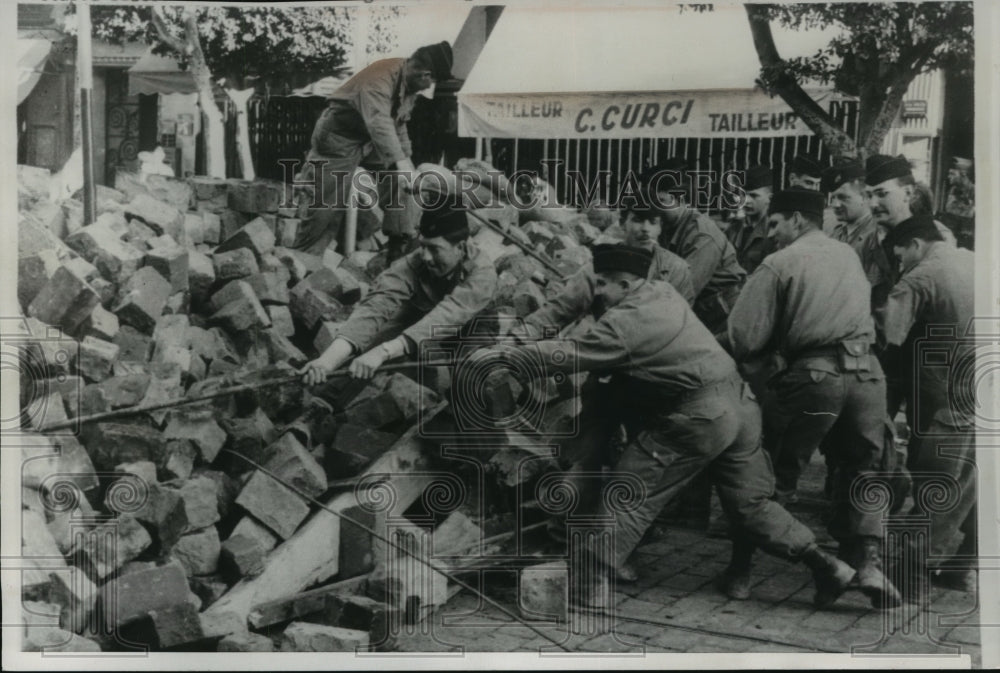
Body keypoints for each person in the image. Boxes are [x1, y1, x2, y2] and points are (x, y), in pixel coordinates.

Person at [506, 244, 865, 606]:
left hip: (700, 414)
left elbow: (569, 354)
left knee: (630, 491)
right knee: (752, 505)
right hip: (740, 407)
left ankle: (589, 585)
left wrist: (502, 355)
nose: (597, 293)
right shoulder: (663, 294)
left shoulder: (625, 321)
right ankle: (829, 566)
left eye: (603, 285)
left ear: (628, 286)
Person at [726, 188, 902, 609]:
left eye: (775, 223)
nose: (771, 233)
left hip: (815, 375)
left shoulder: (779, 263)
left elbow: (744, 337)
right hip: (867, 375)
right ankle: (868, 565)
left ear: (797, 221)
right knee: (865, 472)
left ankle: (743, 571)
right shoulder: (847, 256)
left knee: (770, 475)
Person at [880, 215, 977, 597]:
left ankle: (912, 573)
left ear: (917, 245)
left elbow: (890, 337)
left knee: (934, 482)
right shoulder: (971, 260)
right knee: (970, 482)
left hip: (948, 400)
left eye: (900, 253)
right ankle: (959, 567)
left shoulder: (921, 276)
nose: (899, 261)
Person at [300, 202, 497, 383]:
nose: (426, 257)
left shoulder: (483, 271)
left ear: (460, 247)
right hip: (424, 314)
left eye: (435, 249)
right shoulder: (414, 262)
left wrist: (386, 351)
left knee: (473, 373)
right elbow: (376, 305)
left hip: (472, 324)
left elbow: (449, 316)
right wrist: (327, 361)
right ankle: (324, 402)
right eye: (423, 246)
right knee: (367, 349)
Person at [292, 42, 454, 260]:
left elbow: (399, 124)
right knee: (325, 208)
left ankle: (398, 248)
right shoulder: (379, 77)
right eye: (431, 81)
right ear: (425, 74)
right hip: (339, 139)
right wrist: (402, 164)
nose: (428, 87)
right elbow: (379, 123)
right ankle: (301, 263)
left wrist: (408, 165)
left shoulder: (409, 82)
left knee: (403, 184)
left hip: (371, 143)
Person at [640, 169, 745, 335]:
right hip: (704, 309)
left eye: (662, 201)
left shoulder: (702, 236)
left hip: (724, 316)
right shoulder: (669, 225)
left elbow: (684, 291)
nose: (656, 209)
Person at [727, 165, 775, 275]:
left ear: (769, 198)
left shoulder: (774, 232)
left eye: (754, 196)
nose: (746, 201)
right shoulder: (733, 229)